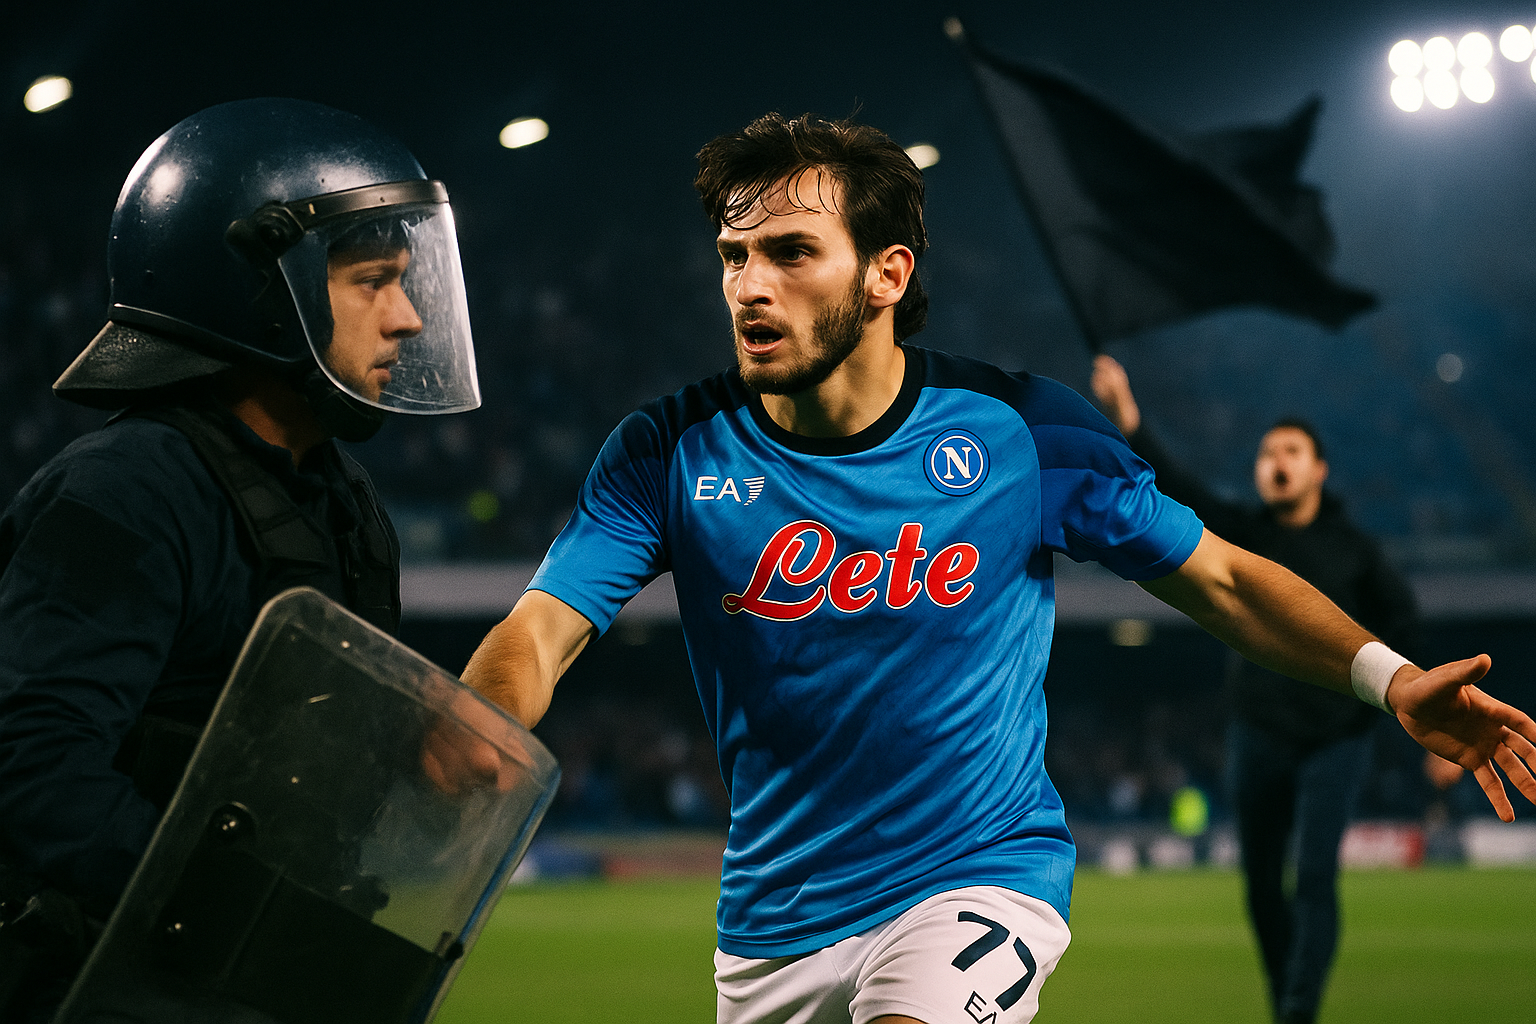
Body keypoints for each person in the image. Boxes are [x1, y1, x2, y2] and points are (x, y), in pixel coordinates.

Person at [457, 112, 1536, 1024]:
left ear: (887, 274)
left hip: (975, 881)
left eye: (791, 252)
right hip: (770, 929)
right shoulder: (668, 450)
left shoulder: (1023, 431)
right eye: (735, 255)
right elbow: (540, 630)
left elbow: (1222, 580)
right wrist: (479, 723)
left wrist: (1391, 679)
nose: (750, 285)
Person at [0, 98, 481, 1022]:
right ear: (263, 296)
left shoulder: (341, 500)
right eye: (372, 282)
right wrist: (242, 919)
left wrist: (410, 741)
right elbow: (33, 764)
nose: (410, 318)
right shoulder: (124, 494)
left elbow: (276, 743)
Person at [1090, 354, 1416, 1024]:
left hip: (1336, 736)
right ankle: (1283, 1005)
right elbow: (1179, 487)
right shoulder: (1244, 535)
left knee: (1316, 876)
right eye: (1268, 452)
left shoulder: (1356, 551)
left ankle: (1299, 1011)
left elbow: (1404, 623)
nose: (1276, 461)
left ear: (1319, 470)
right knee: (1262, 886)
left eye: (1291, 451)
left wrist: (1395, 711)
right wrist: (1130, 421)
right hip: (1258, 729)